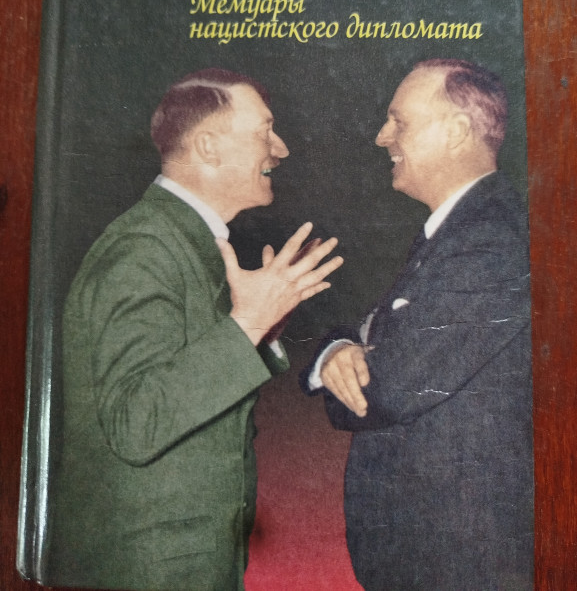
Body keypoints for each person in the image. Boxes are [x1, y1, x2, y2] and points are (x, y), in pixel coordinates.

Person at [46, 68, 343, 591]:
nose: (281, 148)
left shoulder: (179, 239)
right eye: (265, 131)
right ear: (208, 146)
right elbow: (136, 422)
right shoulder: (143, 249)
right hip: (146, 571)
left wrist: (263, 328)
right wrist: (247, 323)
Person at [301, 59, 533, 591]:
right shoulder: (457, 229)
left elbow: (386, 390)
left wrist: (341, 367)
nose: (382, 137)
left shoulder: (488, 239)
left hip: (463, 556)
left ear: (456, 131)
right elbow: (374, 331)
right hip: (437, 548)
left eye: (398, 121)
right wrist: (336, 349)